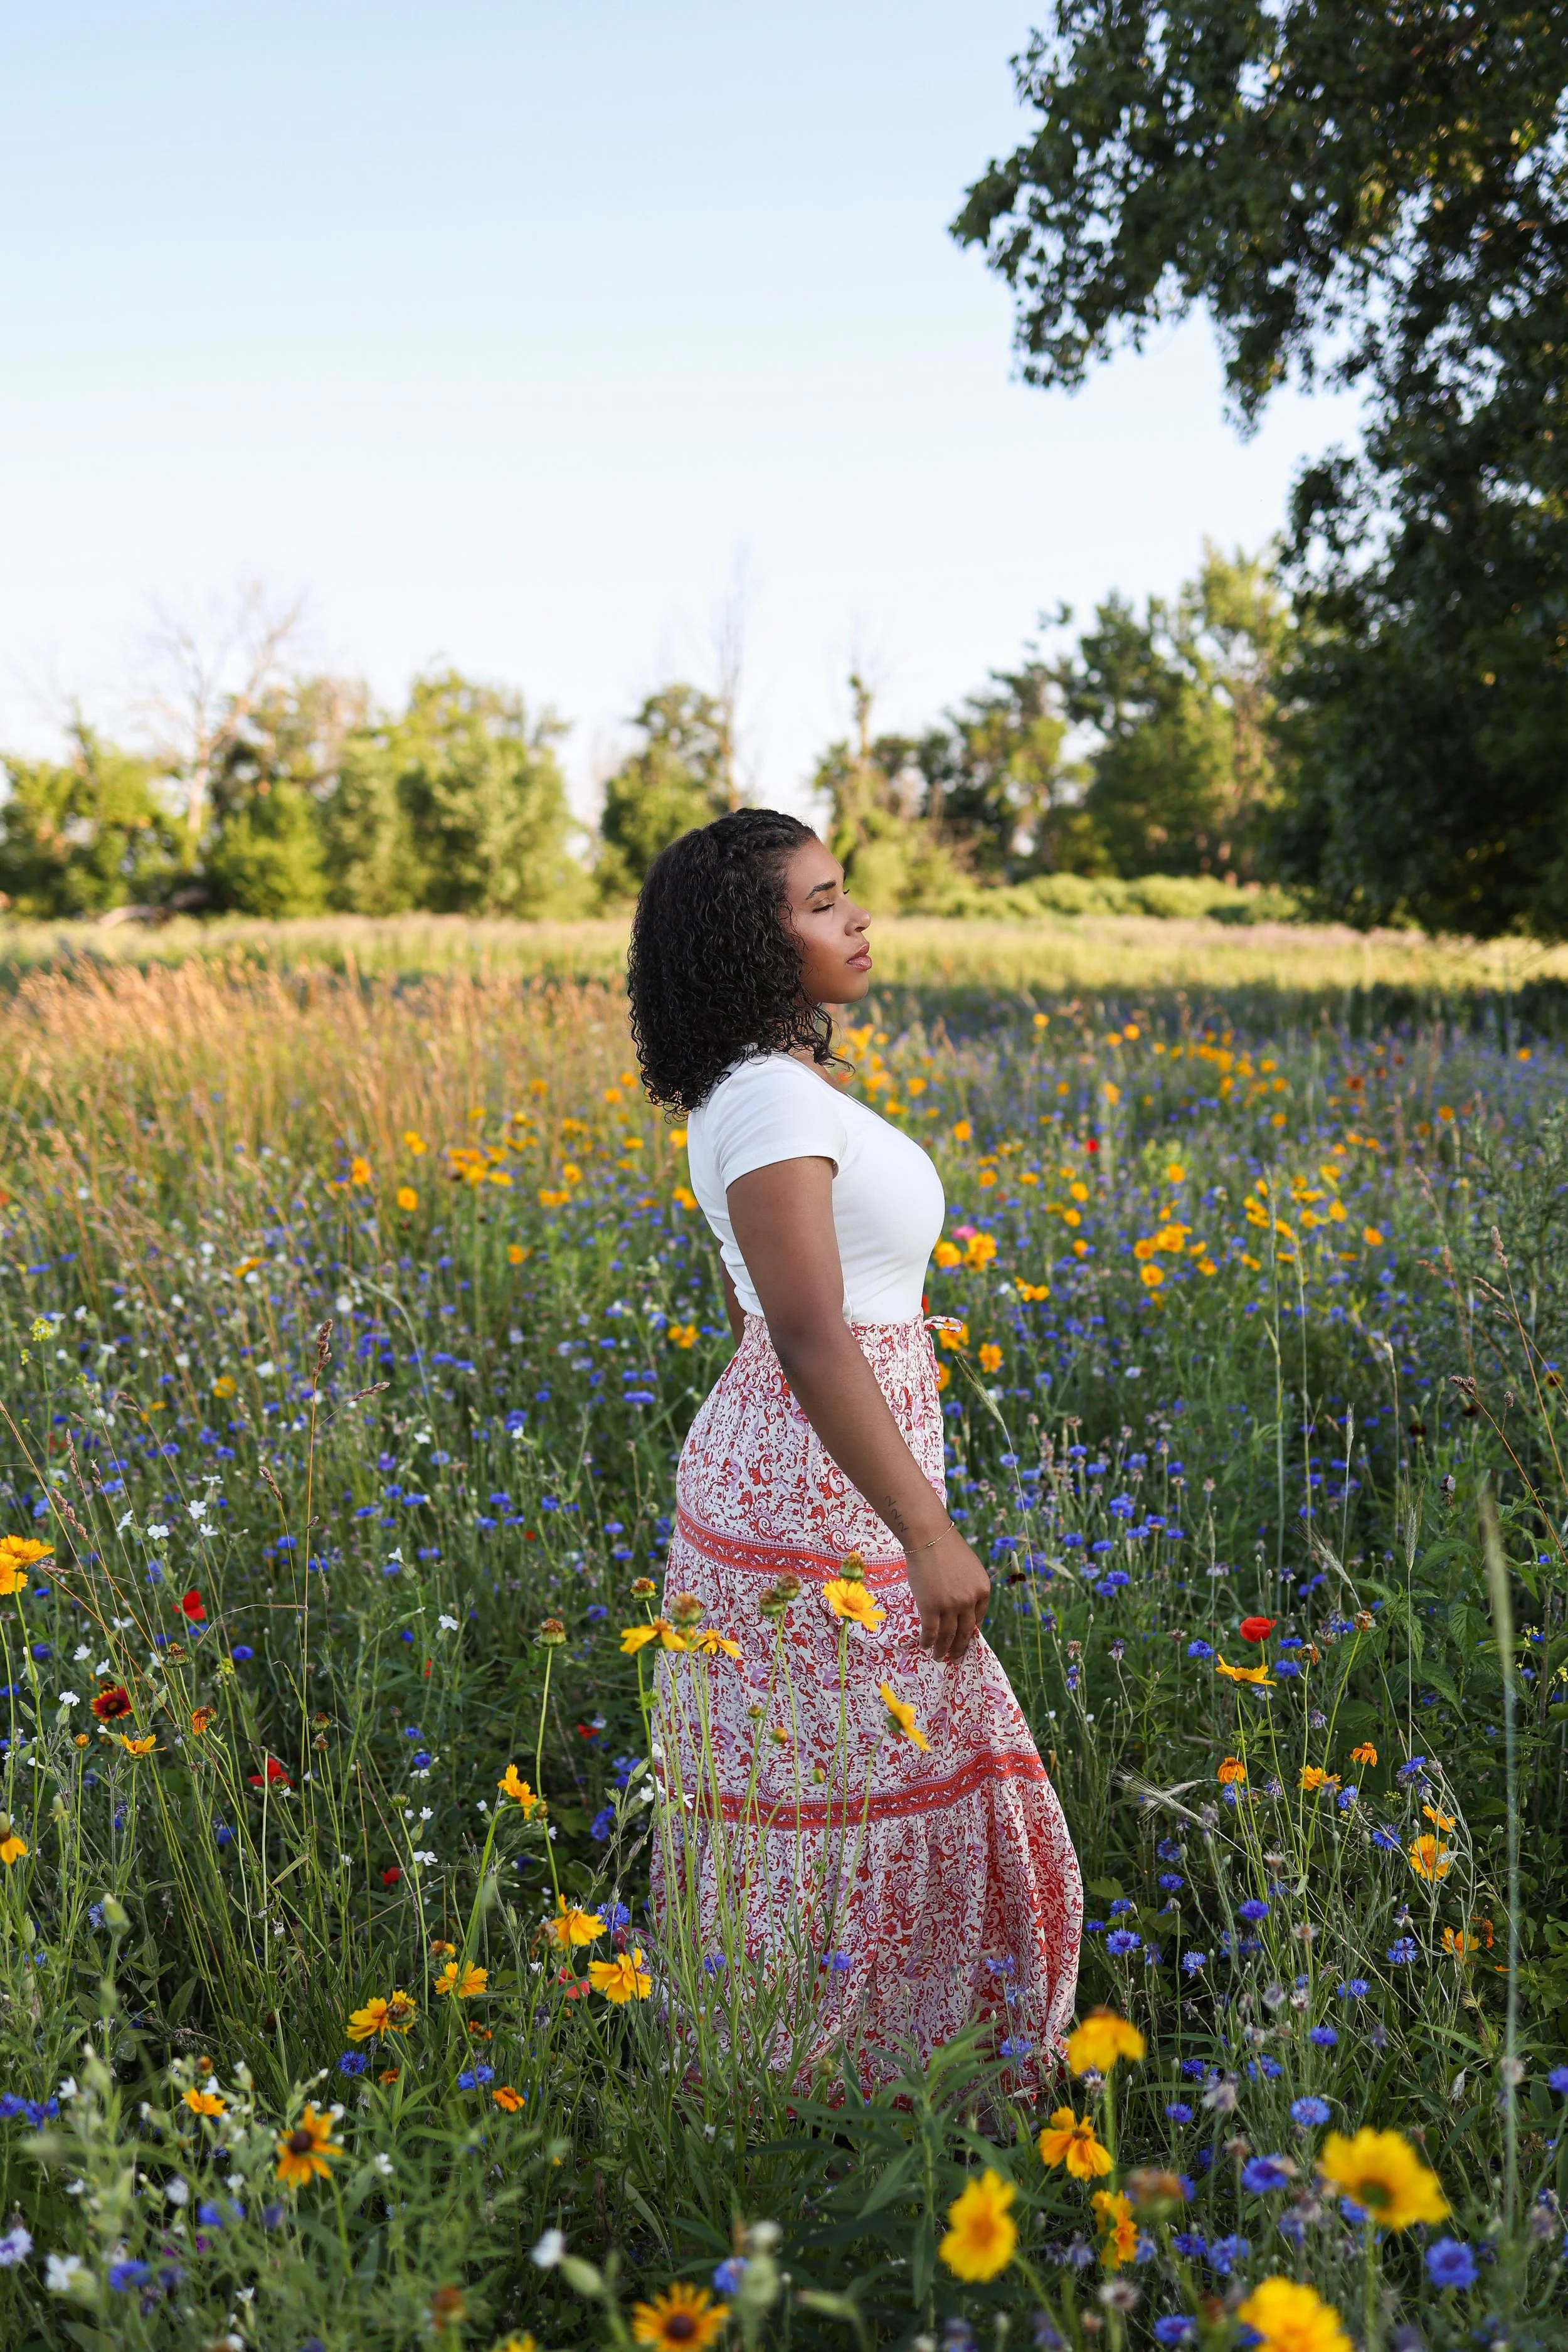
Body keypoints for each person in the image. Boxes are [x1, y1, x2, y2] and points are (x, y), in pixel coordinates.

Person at [627, 807, 1081, 2075]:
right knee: (881, 1787)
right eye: (822, 902)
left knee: (838, 1805)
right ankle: (865, 2090)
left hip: (800, 1472)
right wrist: (924, 1530)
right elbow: (807, 1335)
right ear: (751, 943)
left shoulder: (763, 1088)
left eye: (846, 894)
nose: (857, 918)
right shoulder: (768, 1098)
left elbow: (751, 1318)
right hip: (817, 1500)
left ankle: (825, 2085)